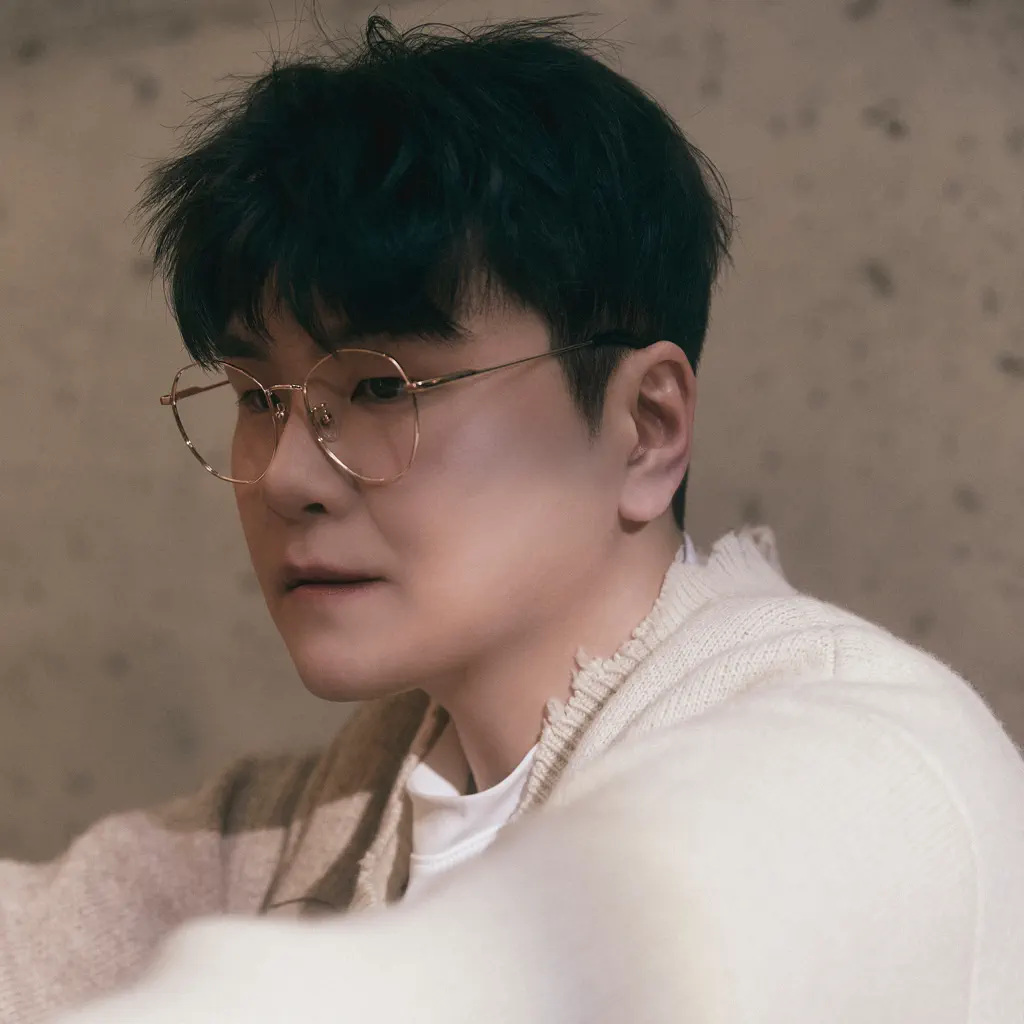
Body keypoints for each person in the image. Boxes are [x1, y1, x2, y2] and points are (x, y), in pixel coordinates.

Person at [3, 13, 1023, 1024]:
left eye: (381, 386)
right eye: (258, 397)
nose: (284, 475)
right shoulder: (318, 823)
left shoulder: (861, 762)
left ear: (646, 428)